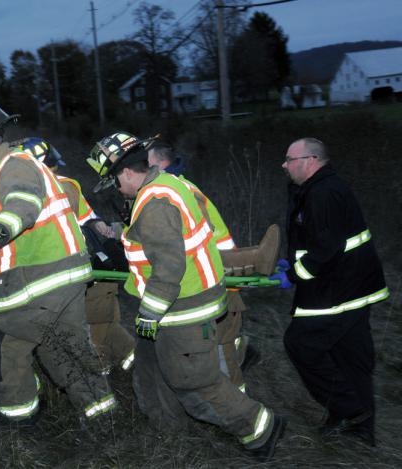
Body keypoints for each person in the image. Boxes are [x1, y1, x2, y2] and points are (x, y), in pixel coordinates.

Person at [87, 132, 285, 460]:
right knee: (150, 373)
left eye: (113, 183)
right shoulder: (166, 186)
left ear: (125, 173)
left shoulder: (155, 202)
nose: (116, 191)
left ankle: (260, 428)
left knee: (194, 382)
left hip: (182, 311)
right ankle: (169, 434)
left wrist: (149, 313)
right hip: (166, 309)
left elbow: (168, 267)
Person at [0, 104, 116, 424]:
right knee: (62, 351)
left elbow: (24, 202)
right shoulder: (12, 168)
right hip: (61, 278)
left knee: (3, 346)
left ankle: (20, 428)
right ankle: (104, 419)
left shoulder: (13, 166)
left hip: (40, 282)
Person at [271, 137, 389, 446]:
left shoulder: (324, 193)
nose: (284, 165)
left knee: (299, 343)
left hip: (339, 290)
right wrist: (293, 262)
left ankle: (351, 411)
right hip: (347, 286)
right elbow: (317, 240)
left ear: (310, 160)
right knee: (350, 356)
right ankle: (359, 431)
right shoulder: (316, 189)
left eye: (289, 159)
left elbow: (326, 249)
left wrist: (294, 274)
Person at [147, 139, 280, 389]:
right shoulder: (176, 188)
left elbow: (191, 240)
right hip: (216, 279)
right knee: (223, 346)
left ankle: (241, 412)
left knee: (221, 354)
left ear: (161, 164)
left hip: (218, 280)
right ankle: (242, 357)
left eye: (147, 164)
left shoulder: (176, 191)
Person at [19, 137, 135, 374]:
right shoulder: (67, 185)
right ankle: (133, 366)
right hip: (91, 270)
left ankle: (103, 375)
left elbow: (86, 221)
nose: (55, 171)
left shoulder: (36, 190)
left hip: (78, 272)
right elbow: (90, 220)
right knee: (104, 323)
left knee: (93, 327)